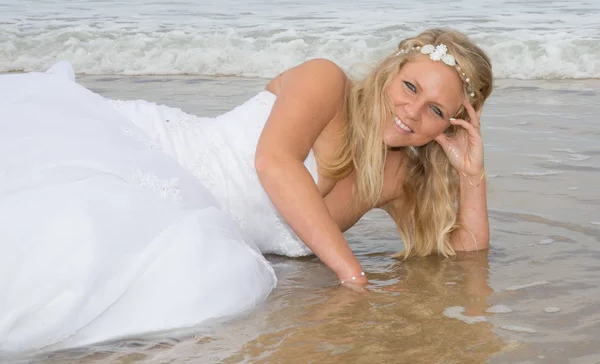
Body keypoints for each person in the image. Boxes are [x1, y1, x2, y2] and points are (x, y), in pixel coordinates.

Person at [0, 28, 492, 353]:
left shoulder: (396, 178)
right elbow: (274, 164)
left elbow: (464, 254)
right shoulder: (328, 82)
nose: (412, 111)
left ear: (446, 127)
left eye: (434, 110)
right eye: (410, 88)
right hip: (152, 152)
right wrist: (352, 274)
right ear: (390, 71)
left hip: (196, 230)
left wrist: (472, 175)